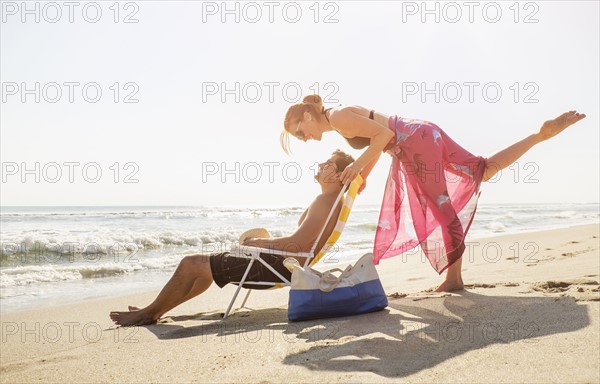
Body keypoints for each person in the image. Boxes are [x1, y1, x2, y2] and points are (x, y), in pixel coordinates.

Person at [281, 95, 586, 292]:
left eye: (298, 132)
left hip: (414, 141)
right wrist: (360, 179)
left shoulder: (337, 118)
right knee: (483, 169)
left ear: (308, 116)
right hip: (421, 132)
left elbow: (385, 136)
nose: (303, 138)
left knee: (442, 209)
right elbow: (377, 140)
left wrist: (355, 169)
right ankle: (540, 135)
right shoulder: (338, 118)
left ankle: (454, 279)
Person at [110, 150, 355, 326]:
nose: (321, 164)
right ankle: (154, 310)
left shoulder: (325, 201)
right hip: (282, 265)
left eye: (329, 164)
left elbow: (298, 244)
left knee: (190, 264)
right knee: (203, 269)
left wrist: (261, 244)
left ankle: (148, 313)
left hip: (275, 267)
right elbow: (302, 243)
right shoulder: (331, 200)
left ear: (337, 176)